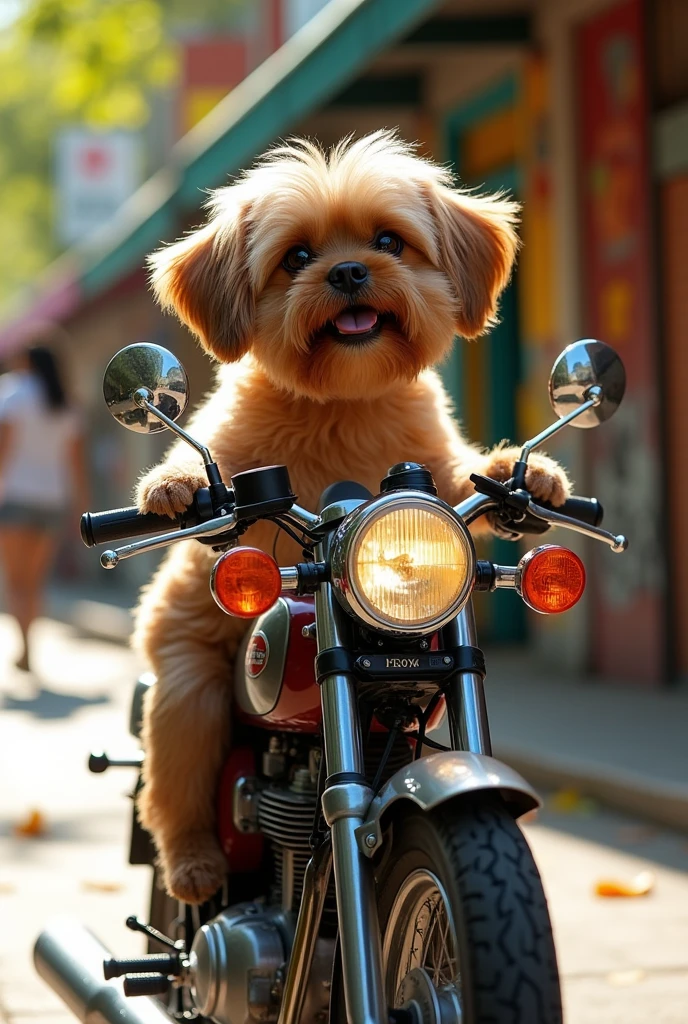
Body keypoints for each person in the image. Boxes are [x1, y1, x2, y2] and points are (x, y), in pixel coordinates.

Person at [0, 339, 88, 672]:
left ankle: (25, 650)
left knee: (16, 580)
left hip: (15, 500)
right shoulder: (67, 402)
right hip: (53, 501)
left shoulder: (12, 393)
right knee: (34, 582)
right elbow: (76, 464)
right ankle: (28, 648)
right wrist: (80, 507)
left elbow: (3, 452)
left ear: (28, 361)